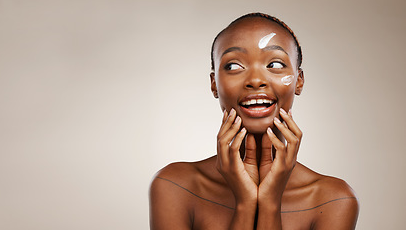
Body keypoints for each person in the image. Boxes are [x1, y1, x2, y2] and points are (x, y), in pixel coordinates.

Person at [149, 13, 359, 230]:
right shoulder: (174, 186)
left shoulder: (334, 200)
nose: (256, 80)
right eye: (233, 66)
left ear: (299, 80)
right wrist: (245, 204)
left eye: (275, 64)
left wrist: (269, 202)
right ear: (214, 84)